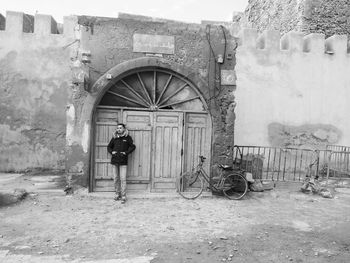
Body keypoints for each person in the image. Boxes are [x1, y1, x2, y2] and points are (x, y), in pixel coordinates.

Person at [107, 123, 136, 203]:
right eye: (117, 128)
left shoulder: (127, 138)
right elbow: (109, 147)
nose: (118, 129)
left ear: (123, 129)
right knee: (116, 178)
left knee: (123, 179)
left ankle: (123, 196)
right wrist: (111, 152)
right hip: (115, 161)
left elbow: (133, 146)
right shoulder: (114, 138)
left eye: (120, 128)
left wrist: (126, 153)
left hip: (123, 161)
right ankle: (117, 194)